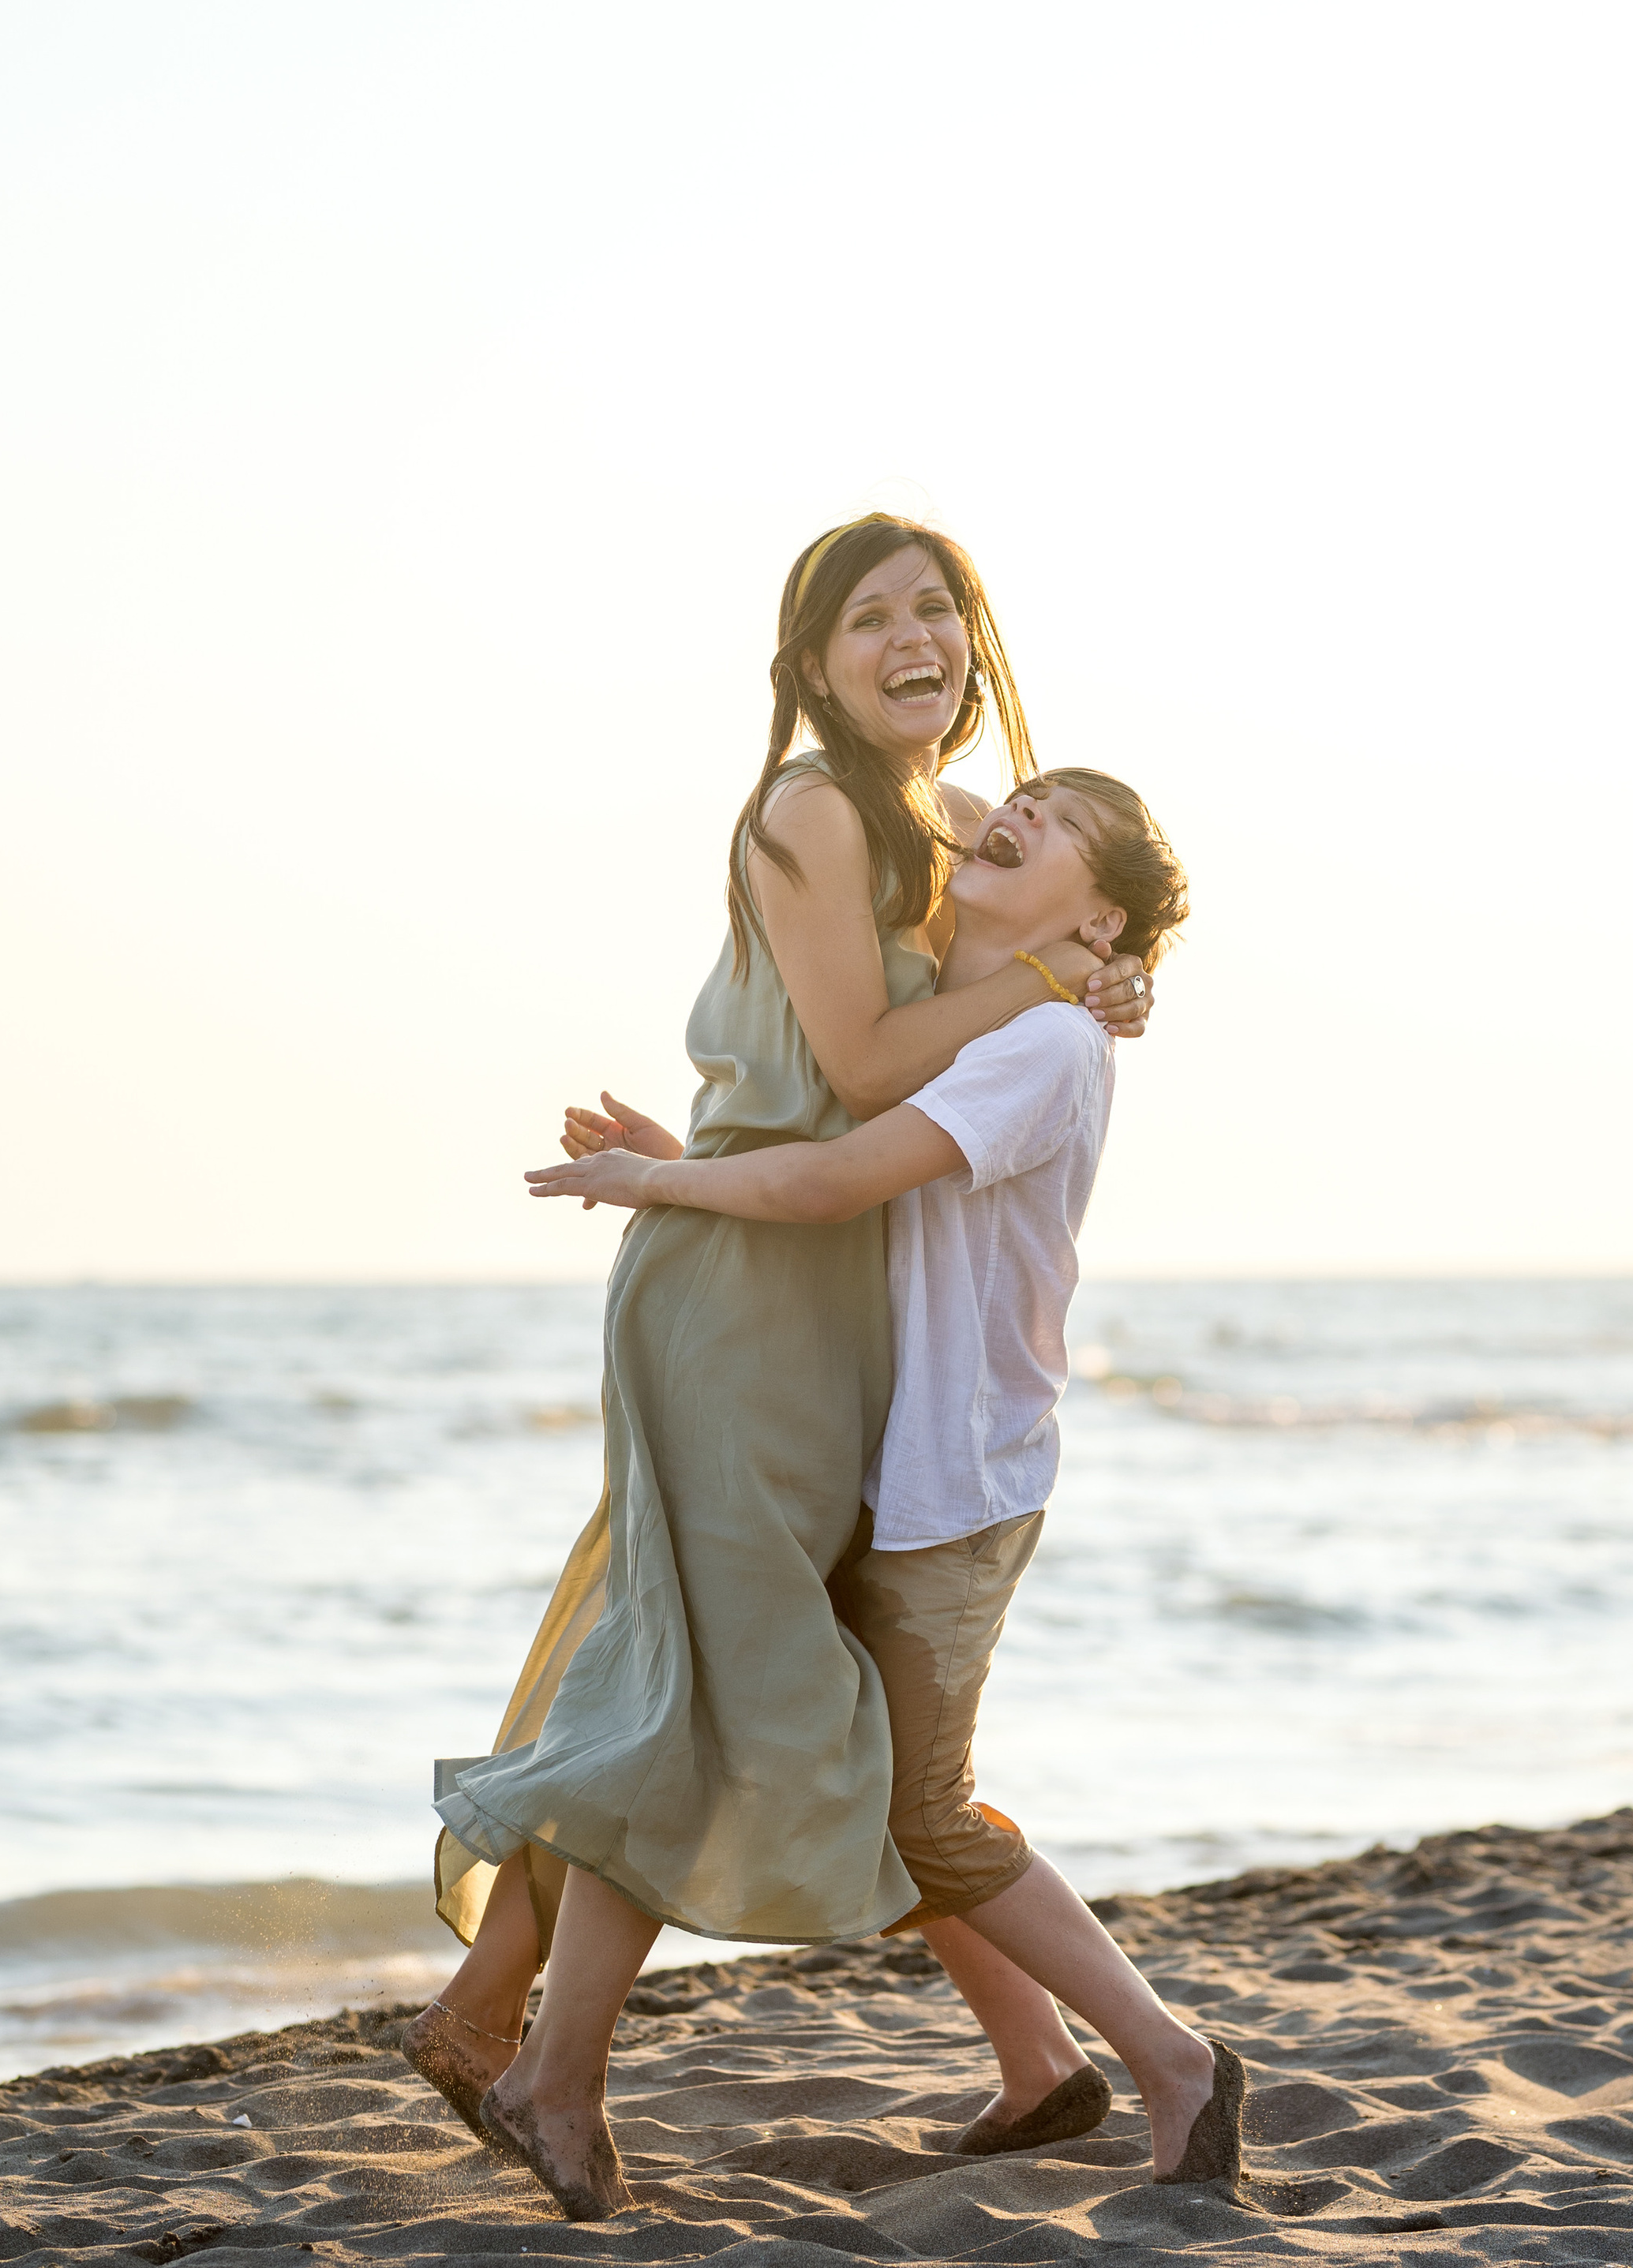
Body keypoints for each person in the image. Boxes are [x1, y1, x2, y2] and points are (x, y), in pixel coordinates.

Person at [403, 515, 1153, 2219]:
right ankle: (543, 2069)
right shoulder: (810, 810)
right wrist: (1063, 977)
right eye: (866, 619)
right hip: (746, 1297)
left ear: (973, 641)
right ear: (811, 664)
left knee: (736, 1683)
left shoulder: (963, 827)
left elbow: (1040, 988)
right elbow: (865, 1063)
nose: (911, 640)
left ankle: (499, 2024)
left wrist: (1102, 983)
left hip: (842, 1297)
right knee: (716, 1687)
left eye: (935, 610)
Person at [530, 765, 1244, 2191]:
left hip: (956, 1484)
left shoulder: (1044, 1047)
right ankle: (1041, 2069)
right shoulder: (973, 1020)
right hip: (890, 1460)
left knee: (923, 1809)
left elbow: (831, 1185)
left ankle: (1172, 2059)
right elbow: (847, 1185)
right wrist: (686, 1160)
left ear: (1101, 921)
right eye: (1027, 795)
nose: (1018, 813)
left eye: (1063, 824)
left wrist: (654, 1187)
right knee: (864, 1771)